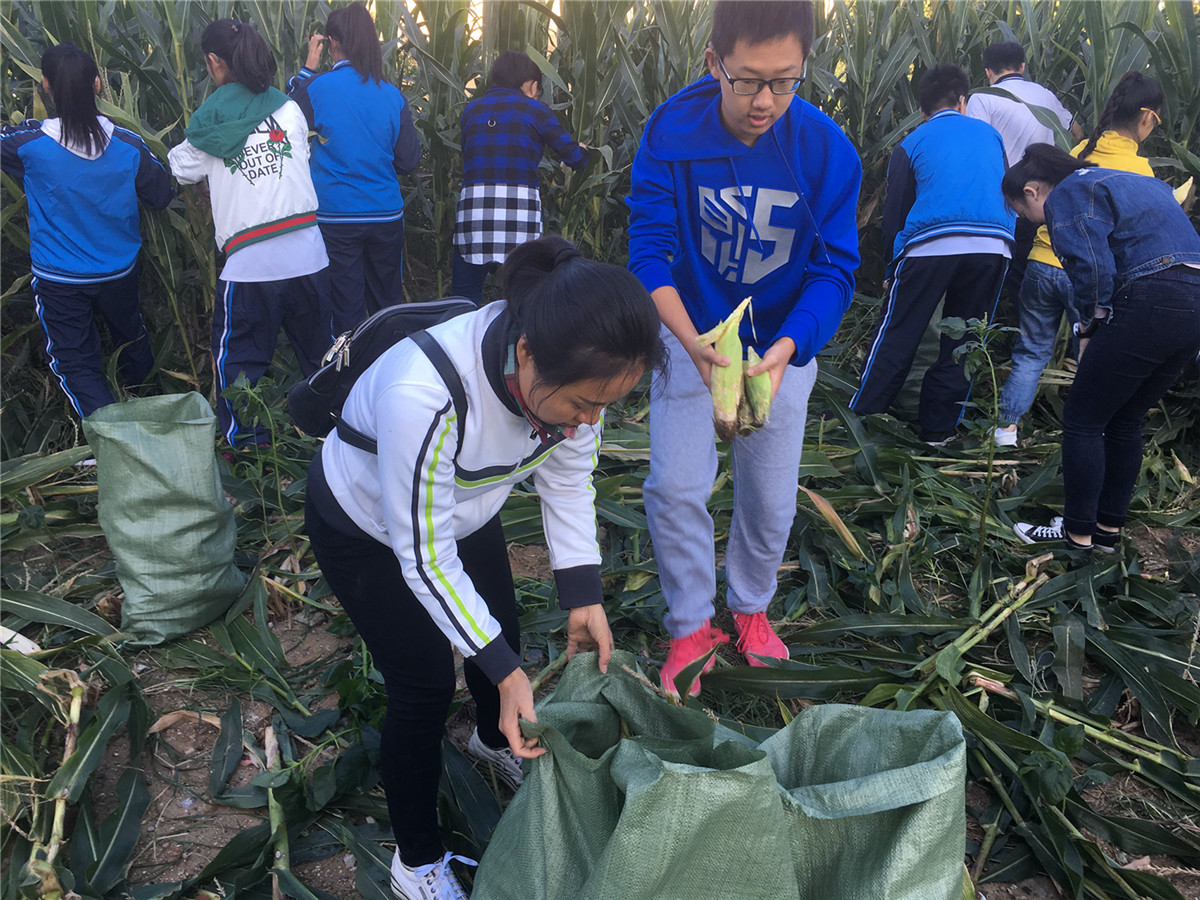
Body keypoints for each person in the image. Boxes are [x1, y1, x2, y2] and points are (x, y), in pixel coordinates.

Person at [305, 236, 664, 899]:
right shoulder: (429, 393)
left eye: (604, 405)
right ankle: (416, 864)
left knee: (501, 628)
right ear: (525, 354)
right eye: (583, 404)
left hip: (463, 505)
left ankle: (496, 740)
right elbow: (425, 557)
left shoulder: (570, 378)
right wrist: (505, 672)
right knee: (421, 688)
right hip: (368, 525)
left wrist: (583, 594)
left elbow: (566, 479)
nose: (591, 421)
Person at [626, 0, 861, 697]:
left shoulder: (825, 151)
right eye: (748, 80)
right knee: (675, 488)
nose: (765, 102)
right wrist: (691, 345)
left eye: (785, 81)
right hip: (691, 337)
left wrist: (790, 346)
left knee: (769, 498)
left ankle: (751, 610)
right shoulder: (670, 134)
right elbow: (650, 253)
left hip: (779, 350)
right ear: (714, 64)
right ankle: (691, 625)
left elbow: (834, 268)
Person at [1007, 144, 1200, 552]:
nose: (1029, 221)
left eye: (1023, 213)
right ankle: (1107, 531)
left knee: (1083, 419)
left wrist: (1089, 326)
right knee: (1125, 419)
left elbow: (1091, 265)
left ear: (1032, 191)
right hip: (1194, 300)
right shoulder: (1141, 183)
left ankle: (1076, 534)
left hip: (1150, 295)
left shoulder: (1070, 192)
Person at [169, 19, 332, 449]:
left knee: (239, 364)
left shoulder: (207, 125)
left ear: (214, 62)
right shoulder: (290, 108)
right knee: (323, 359)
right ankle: (338, 437)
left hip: (250, 267)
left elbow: (178, 167)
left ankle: (252, 457)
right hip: (310, 257)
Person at [994, 72, 1165, 447]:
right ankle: (1086, 433)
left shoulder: (1081, 149)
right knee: (1091, 357)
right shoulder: (1140, 170)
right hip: (1085, 273)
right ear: (1147, 118)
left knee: (1031, 350)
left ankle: (1005, 432)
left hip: (1040, 263)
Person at [1, 43, 172, 419]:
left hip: (60, 279)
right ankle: (151, 410)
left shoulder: (31, 146)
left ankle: (110, 436)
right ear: (97, 84)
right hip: (119, 271)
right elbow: (161, 194)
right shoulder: (129, 146)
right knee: (131, 338)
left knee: (74, 362)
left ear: (45, 85)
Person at [849, 63, 1013, 445]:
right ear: (963, 102)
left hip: (932, 243)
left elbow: (895, 215)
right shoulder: (991, 135)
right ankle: (938, 432)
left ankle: (862, 419)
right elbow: (1006, 187)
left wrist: (892, 267)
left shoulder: (911, 142)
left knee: (898, 332)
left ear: (922, 111)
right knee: (965, 342)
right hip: (994, 245)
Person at [288, 3, 422, 332]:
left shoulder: (317, 88)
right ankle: (386, 371)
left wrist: (307, 68)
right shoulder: (392, 95)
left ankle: (344, 377)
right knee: (386, 307)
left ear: (332, 42)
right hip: (385, 216)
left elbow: (282, 129)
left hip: (336, 218)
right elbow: (409, 160)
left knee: (343, 309)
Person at [450, 50, 588, 304]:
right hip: (519, 216)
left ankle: (459, 336)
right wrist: (582, 150)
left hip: (474, 214)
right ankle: (518, 339)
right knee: (525, 292)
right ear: (532, 85)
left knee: (464, 295)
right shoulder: (536, 111)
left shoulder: (471, 110)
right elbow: (574, 159)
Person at [966, 40, 1082, 303]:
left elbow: (976, 148)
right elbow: (1076, 133)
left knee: (1003, 274)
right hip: (1044, 201)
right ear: (1022, 66)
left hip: (1002, 201)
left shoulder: (983, 97)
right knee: (1031, 266)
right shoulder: (1045, 95)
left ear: (987, 71)